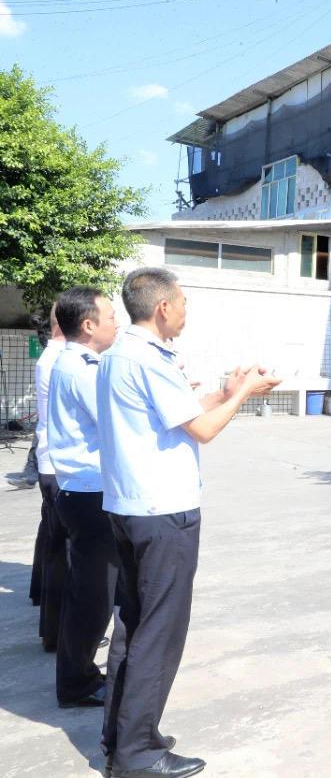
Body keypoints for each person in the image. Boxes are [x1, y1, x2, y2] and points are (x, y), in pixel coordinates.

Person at [98, 267, 279, 778]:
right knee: (159, 632)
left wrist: (228, 392)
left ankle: (124, 737)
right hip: (162, 513)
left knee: (133, 626)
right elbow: (200, 431)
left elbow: (179, 414)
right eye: (182, 304)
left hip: (131, 506)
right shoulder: (148, 358)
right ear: (161, 307)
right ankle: (138, 754)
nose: (184, 312)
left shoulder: (123, 355)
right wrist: (242, 395)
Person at [46, 287, 118, 709]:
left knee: (91, 592)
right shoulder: (81, 369)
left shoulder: (77, 362)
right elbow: (115, 420)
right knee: (92, 597)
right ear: (89, 325)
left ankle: (79, 674)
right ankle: (77, 682)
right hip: (89, 495)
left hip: (84, 491)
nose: (116, 322)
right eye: (110, 316)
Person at [32, 303, 67, 650]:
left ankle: (53, 629)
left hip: (51, 464)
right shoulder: (61, 361)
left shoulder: (53, 357)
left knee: (56, 548)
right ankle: (57, 633)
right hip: (60, 468)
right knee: (63, 556)